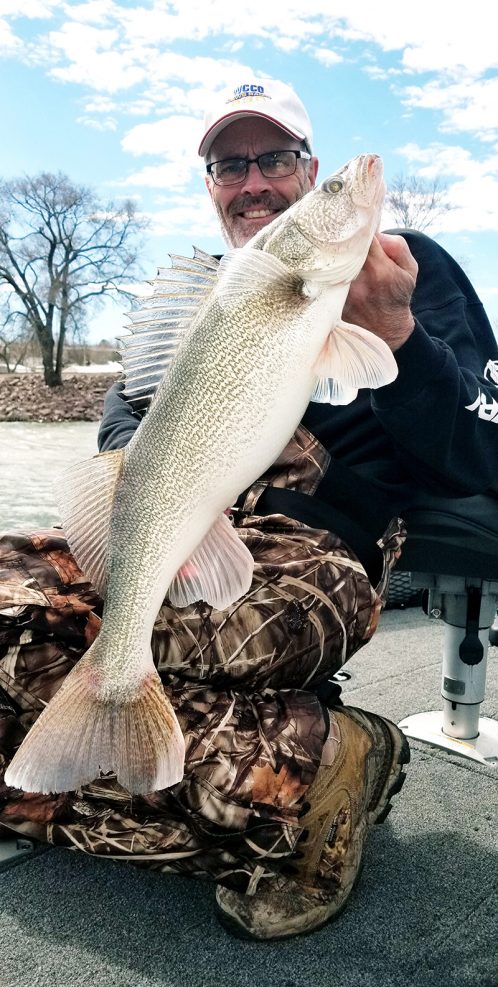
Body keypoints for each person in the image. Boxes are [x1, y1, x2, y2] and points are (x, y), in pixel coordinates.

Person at [0, 77, 497, 942]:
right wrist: (153, 548)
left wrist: (400, 338)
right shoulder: (198, 312)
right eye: (231, 164)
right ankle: (297, 764)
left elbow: (481, 454)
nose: (253, 181)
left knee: (132, 653)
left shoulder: (401, 267)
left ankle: (330, 761)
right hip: (188, 535)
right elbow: (123, 461)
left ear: (307, 172)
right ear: (209, 186)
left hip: (319, 551)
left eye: (277, 158)